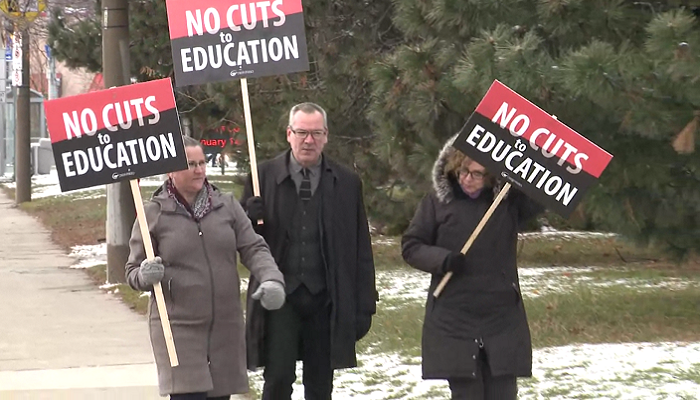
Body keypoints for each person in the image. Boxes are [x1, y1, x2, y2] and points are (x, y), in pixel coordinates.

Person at [125, 135, 286, 400]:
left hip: (225, 327)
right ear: (172, 171)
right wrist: (144, 274)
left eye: (202, 162)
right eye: (190, 164)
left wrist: (271, 278)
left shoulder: (227, 206)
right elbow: (131, 270)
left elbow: (253, 248)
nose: (199, 169)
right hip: (178, 330)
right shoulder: (153, 214)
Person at [241, 102, 378, 400]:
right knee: (277, 379)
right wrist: (248, 215)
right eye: (302, 132)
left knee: (320, 384)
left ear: (326, 136)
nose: (308, 140)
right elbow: (244, 242)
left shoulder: (346, 183)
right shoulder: (261, 176)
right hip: (281, 297)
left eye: (316, 133)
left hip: (324, 298)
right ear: (289, 134)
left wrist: (365, 302)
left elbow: (360, 247)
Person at [401, 136, 544, 400]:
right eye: (463, 171)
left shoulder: (507, 202)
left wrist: (536, 157)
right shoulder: (436, 202)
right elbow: (412, 246)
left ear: (491, 176)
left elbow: (539, 197)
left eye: (477, 174)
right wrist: (442, 259)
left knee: (503, 393)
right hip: (454, 316)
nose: (467, 179)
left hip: (501, 317)